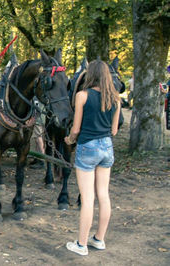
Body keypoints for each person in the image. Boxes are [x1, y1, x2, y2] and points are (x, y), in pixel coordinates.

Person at [64, 60, 121, 256]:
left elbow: (76, 129)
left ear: (91, 75)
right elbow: (114, 130)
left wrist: (69, 139)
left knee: (88, 199)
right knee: (103, 195)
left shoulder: (82, 96)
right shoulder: (116, 98)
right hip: (107, 147)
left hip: (88, 147)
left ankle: (81, 244)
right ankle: (99, 239)